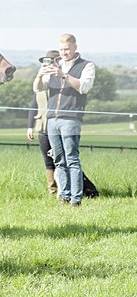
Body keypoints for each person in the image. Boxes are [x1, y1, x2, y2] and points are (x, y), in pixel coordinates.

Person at [34, 34, 96, 207]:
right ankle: (64, 196)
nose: (64, 52)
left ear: (75, 47)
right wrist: (40, 75)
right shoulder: (55, 65)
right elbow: (38, 88)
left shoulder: (87, 65)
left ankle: (76, 200)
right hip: (52, 119)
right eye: (61, 50)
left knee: (72, 159)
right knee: (59, 160)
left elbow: (84, 87)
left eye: (67, 49)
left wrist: (63, 75)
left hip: (71, 118)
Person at [27, 50, 60, 196]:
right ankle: (52, 190)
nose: (48, 64)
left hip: (58, 125)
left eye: (52, 61)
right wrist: (30, 126)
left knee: (61, 158)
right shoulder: (40, 82)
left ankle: (65, 188)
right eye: (46, 61)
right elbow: (34, 104)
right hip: (42, 125)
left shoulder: (61, 80)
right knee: (48, 161)